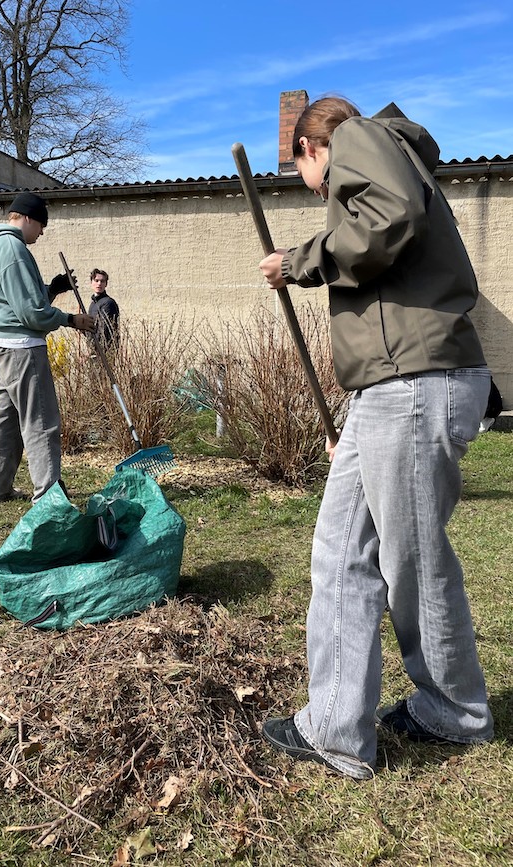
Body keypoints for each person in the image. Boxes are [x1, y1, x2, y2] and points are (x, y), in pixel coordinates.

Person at [259, 97, 493, 780]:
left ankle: (455, 711)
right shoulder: (392, 154)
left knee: (412, 560)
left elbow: (390, 217)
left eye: (301, 171)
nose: (313, 188)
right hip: (392, 387)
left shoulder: (361, 136)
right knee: (340, 549)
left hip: (413, 382)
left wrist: (297, 261)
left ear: (311, 147)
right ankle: (335, 724)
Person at [0, 192, 95, 504]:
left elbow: (16, 297)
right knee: (41, 420)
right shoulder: (13, 248)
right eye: (42, 225)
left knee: (5, 420)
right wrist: (70, 319)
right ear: (28, 218)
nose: (42, 232)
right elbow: (31, 313)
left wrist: (52, 289)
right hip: (22, 348)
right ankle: (48, 495)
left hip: (1, 344)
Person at [88, 268, 119, 349]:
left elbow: (104, 330)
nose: (99, 284)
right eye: (96, 280)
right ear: (91, 283)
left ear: (106, 284)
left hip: (105, 349)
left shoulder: (108, 303)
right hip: (94, 347)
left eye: (102, 281)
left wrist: (96, 348)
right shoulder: (93, 304)